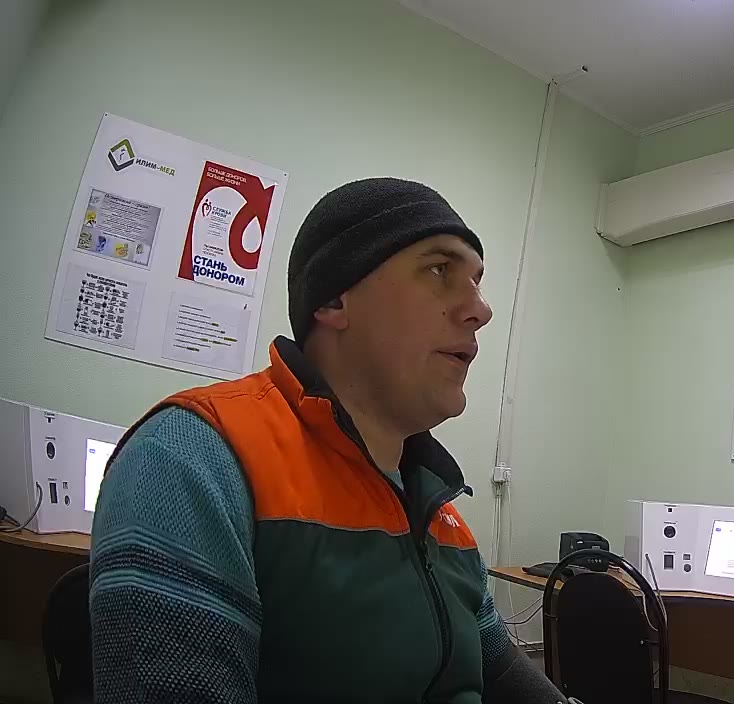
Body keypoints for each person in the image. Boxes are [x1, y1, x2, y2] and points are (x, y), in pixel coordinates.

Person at [90, 179, 568, 703]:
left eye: (477, 282)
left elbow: (499, 668)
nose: (481, 309)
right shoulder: (193, 460)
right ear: (335, 298)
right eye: (439, 270)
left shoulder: (439, 508)